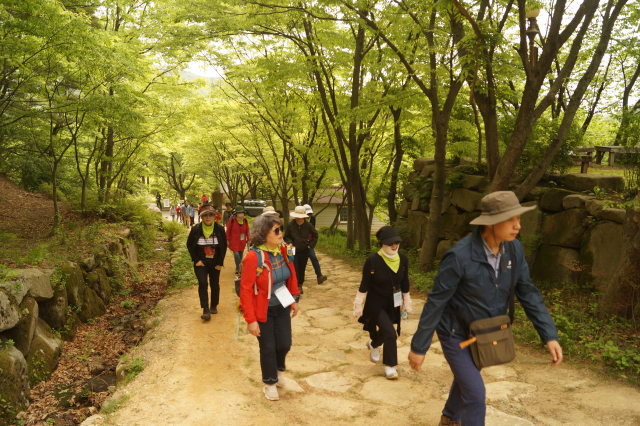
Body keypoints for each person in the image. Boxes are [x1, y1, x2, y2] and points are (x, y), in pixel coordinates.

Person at [408, 191, 563, 426]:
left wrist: (549, 335)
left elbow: (528, 292)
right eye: (511, 219)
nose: (517, 225)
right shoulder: (459, 256)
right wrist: (419, 347)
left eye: (519, 219)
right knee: (476, 394)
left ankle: (449, 418)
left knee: (468, 382)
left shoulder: (514, 250)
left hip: (485, 333)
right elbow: (436, 301)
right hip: (455, 334)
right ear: (491, 223)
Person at [239, 214, 300, 402]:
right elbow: (246, 290)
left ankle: (278, 369)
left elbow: (292, 275)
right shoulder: (253, 257)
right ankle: (270, 382)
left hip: (281, 306)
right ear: (263, 233)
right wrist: (251, 320)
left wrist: (294, 299)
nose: (281, 233)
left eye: (280, 229)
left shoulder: (283, 250)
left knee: (284, 344)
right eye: (276, 230)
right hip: (262, 310)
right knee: (268, 347)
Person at [353, 226, 411, 380]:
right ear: (382, 243)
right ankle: (390, 366)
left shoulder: (403, 259)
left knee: (386, 332)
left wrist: (407, 302)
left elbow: (405, 283)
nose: (394, 245)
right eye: (390, 243)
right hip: (376, 303)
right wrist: (358, 304)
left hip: (394, 301)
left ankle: (373, 345)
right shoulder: (373, 260)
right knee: (391, 333)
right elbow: (364, 284)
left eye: (396, 242)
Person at [186, 203, 227, 320]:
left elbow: (224, 247)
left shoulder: (219, 229)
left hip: (215, 263)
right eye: (205, 215)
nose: (208, 217)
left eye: (210, 215)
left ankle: (214, 304)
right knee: (203, 283)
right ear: (201, 217)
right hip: (201, 263)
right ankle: (205, 309)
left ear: (215, 216)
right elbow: (189, 245)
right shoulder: (195, 229)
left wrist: (220, 262)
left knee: (214, 284)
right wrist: (196, 260)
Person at [284, 206, 318, 295]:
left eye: (300, 216)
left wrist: (310, 246)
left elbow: (315, 235)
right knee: (294, 268)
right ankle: (295, 286)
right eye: (297, 216)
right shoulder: (290, 225)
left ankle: (300, 284)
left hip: (304, 250)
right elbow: (286, 236)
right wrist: (290, 242)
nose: (298, 218)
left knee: (302, 268)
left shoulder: (308, 225)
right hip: (293, 250)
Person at [303, 204, 327, 284]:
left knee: (313, 258)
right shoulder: (300, 220)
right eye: (307, 214)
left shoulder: (312, 219)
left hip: (309, 242)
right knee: (302, 261)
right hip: (301, 243)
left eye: (310, 214)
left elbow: (313, 231)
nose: (309, 216)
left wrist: (311, 244)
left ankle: (319, 276)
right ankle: (299, 279)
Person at [226, 205, 250, 276]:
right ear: (236, 214)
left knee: (240, 254)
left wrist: (249, 239)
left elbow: (247, 231)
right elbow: (228, 231)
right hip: (234, 241)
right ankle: (240, 269)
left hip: (242, 242)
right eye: (239, 213)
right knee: (236, 254)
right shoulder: (232, 220)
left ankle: (238, 267)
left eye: (242, 213)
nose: (240, 215)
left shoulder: (245, 221)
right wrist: (227, 240)